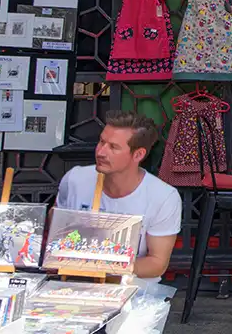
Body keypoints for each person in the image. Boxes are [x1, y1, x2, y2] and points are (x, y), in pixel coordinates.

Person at [56, 111, 182, 282]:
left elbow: (157, 264)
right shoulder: (75, 179)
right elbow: (55, 229)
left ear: (138, 155)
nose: (101, 152)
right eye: (101, 142)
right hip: (74, 283)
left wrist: (104, 266)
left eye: (113, 147)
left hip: (133, 289)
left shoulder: (163, 197)